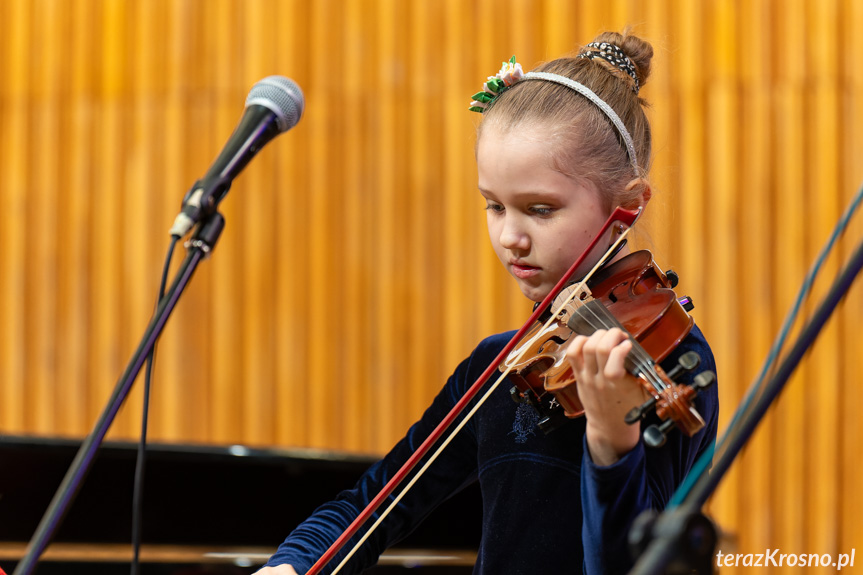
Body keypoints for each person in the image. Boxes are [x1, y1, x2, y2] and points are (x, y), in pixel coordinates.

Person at [255, 30, 719, 575]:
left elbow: (636, 565)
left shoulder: (670, 362)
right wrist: (292, 564)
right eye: (495, 206)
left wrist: (612, 444)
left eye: (540, 209)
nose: (510, 238)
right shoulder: (502, 367)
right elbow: (371, 506)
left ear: (630, 204)